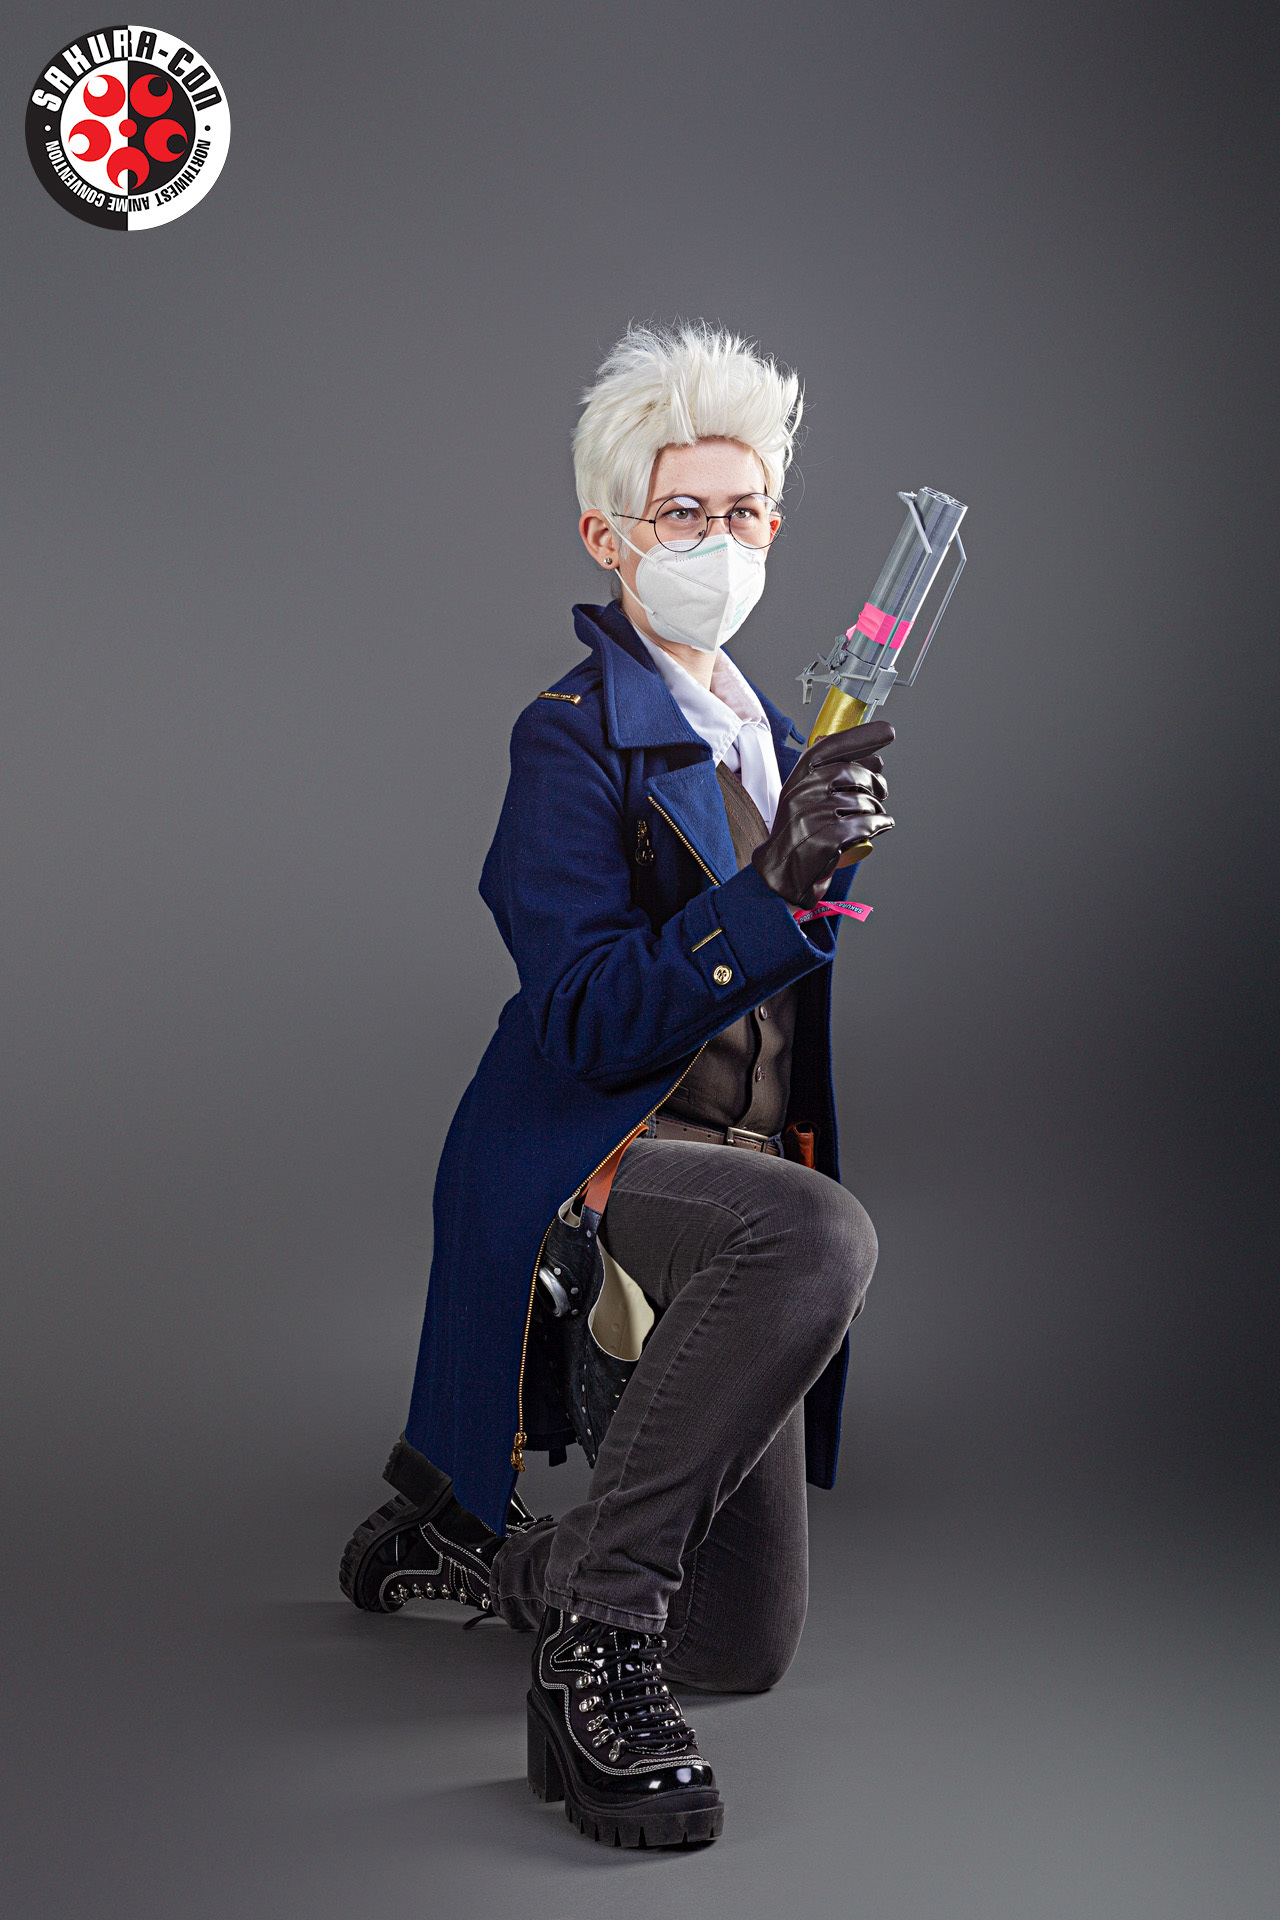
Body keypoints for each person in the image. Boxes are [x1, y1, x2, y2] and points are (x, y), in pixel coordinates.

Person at [339, 323, 893, 1848]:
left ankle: (493, 1561)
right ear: (611, 537)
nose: (718, 541)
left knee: (745, 1645)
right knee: (822, 1234)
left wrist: (809, 860)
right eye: (682, 514)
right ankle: (595, 1638)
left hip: (735, 1175)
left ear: (775, 525)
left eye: (743, 512)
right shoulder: (568, 744)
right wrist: (771, 891)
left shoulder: (774, 736)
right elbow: (584, 1022)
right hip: (598, 1151)